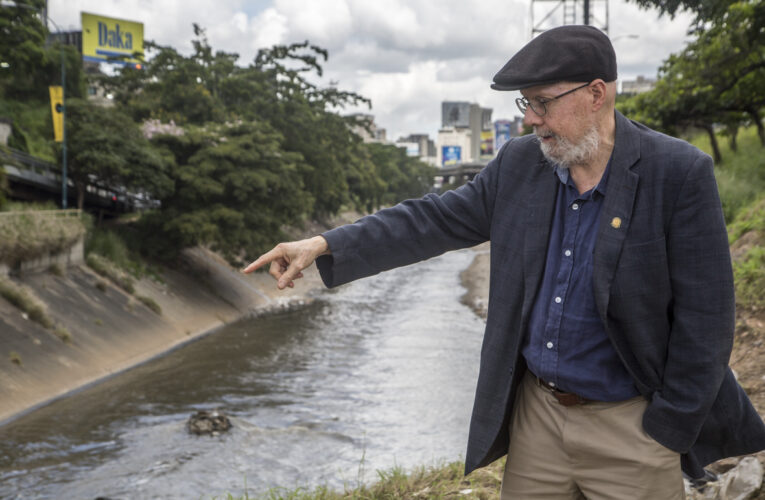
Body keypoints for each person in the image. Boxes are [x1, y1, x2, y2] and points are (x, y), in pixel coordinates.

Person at [243, 25, 765, 499]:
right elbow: (432, 219)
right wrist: (324, 245)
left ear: (596, 94)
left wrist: (666, 430)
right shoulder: (521, 164)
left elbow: (707, 320)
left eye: (542, 103)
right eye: (526, 103)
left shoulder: (677, 173)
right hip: (537, 419)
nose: (531, 119)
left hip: (632, 425)